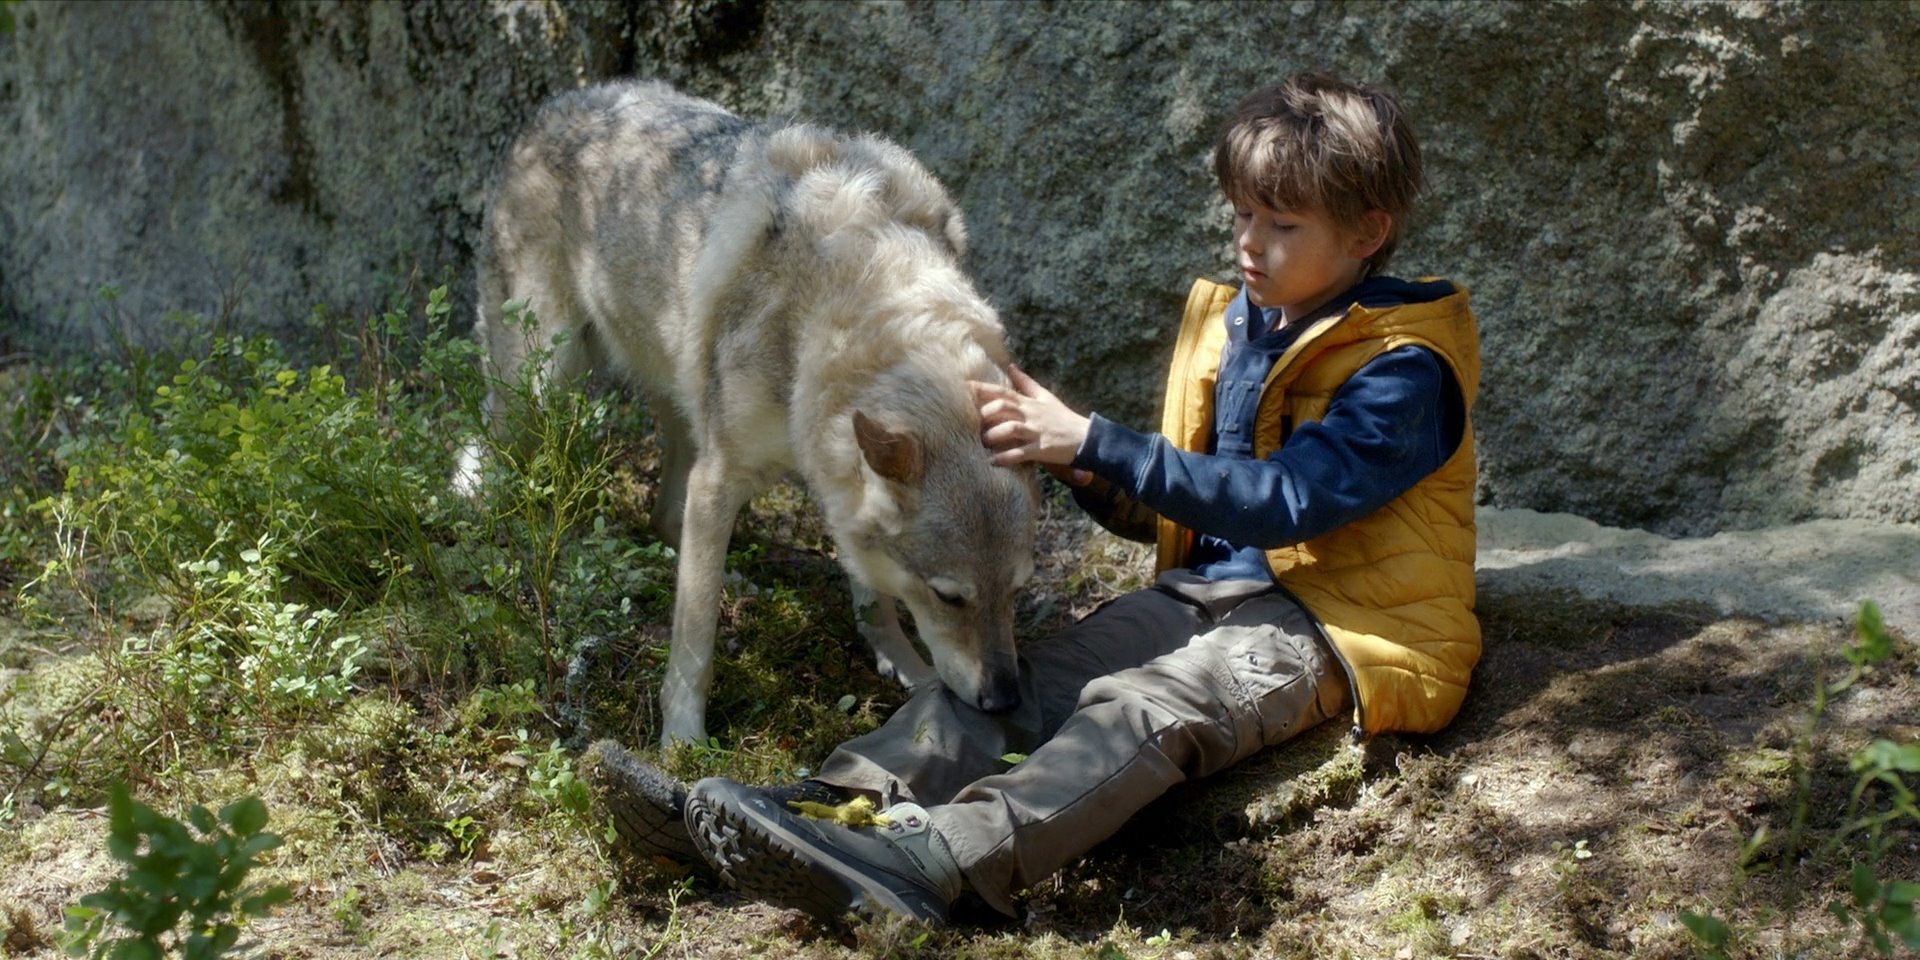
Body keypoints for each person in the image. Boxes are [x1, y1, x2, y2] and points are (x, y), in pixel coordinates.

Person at [587, 71, 1481, 925]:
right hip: (1203, 595)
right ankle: (801, 816)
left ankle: (933, 857)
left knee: (1138, 714)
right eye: (1243, 213)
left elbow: (1287, 502)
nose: (1249, 241)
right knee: (1015, 690)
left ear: (1368, 233)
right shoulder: (1247, 322)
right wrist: (1072, 467)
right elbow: (1193, 507)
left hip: (1339, 627)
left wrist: (1094, 442)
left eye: (1282, 224)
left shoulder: (1404, 366)